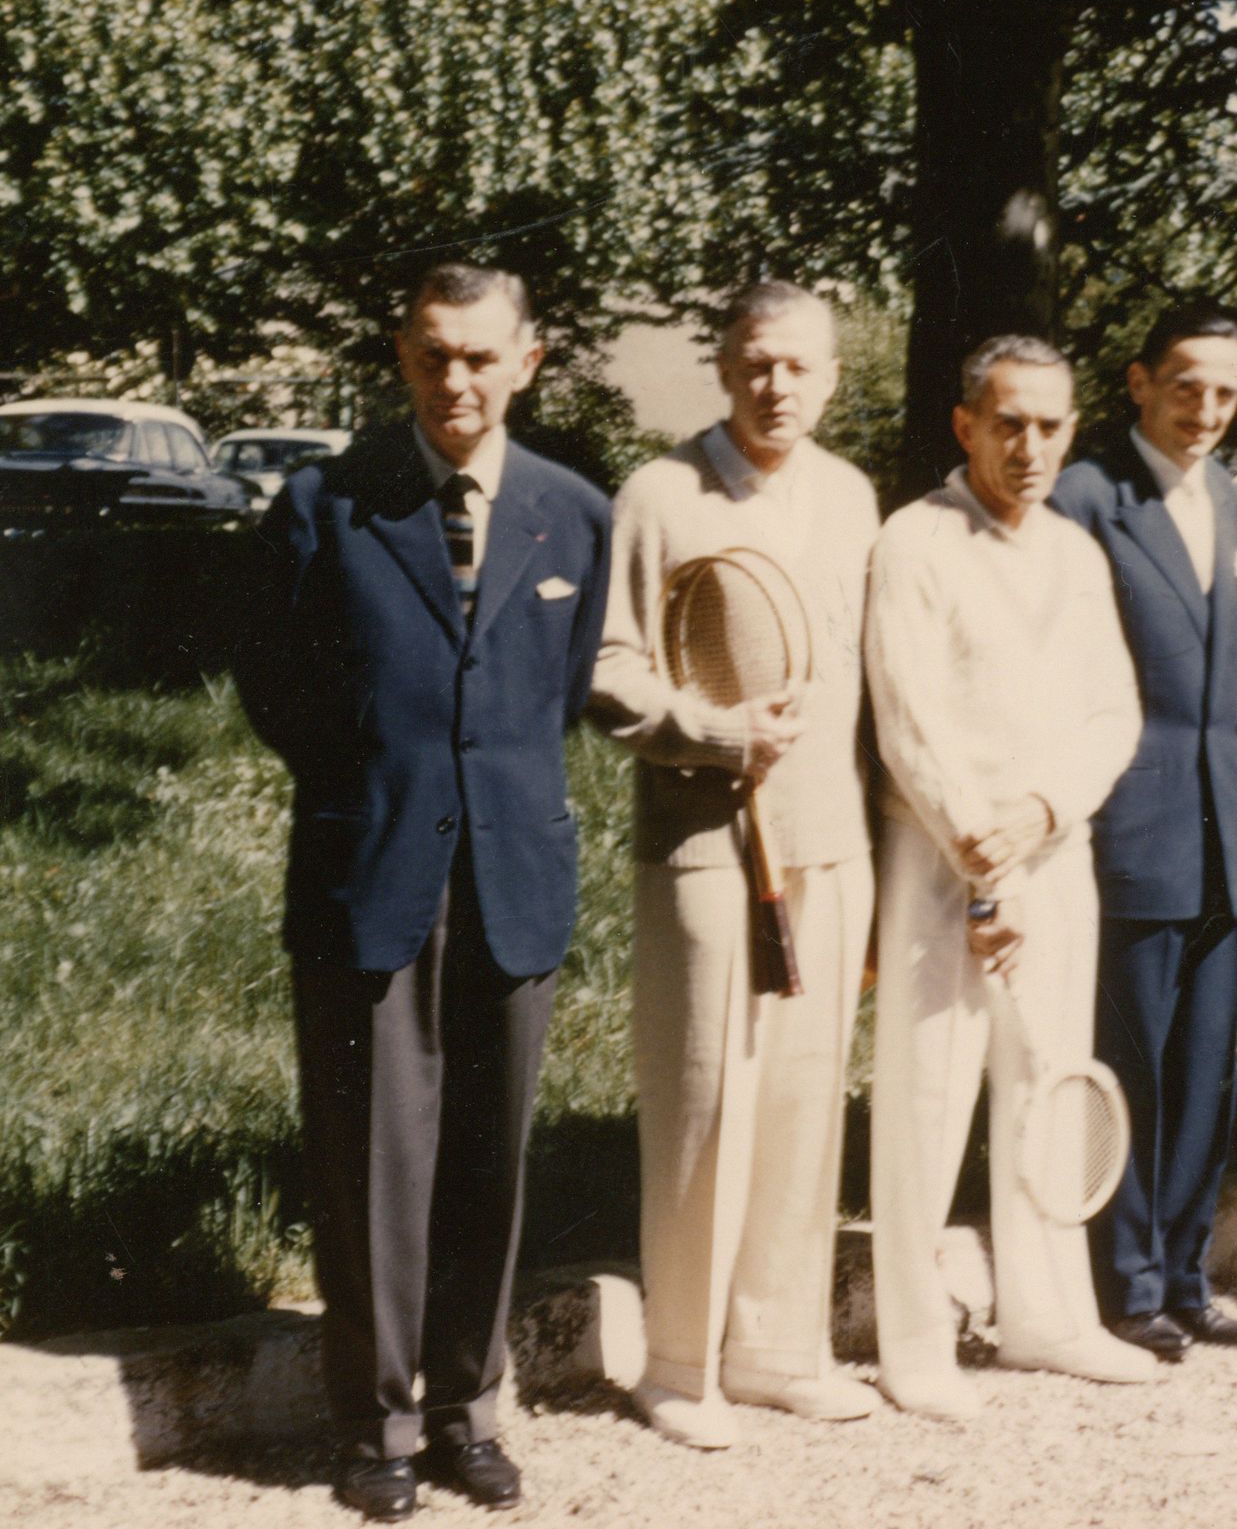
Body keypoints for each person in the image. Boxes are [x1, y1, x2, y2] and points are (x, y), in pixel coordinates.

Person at [238, 264, 610, 1522]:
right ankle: (379, 1421)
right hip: (373, 866)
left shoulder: (573, 514)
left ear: (528, 361)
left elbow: (555, 696)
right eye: (432, 355)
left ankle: (468, 1405)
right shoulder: (325, 505)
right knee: (372, 1159)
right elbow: (278, 691)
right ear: (400, 356)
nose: (457, 382)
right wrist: (386, 783)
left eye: (481, 357)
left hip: (513, 870)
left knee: (487, 1159)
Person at [590, 282, 882, 1446]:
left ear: (830, 377)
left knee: (807, 1104)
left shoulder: (855, 498)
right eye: (757, 363)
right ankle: (678, 1363)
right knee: (708, 1095)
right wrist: (712, 734)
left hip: (829, 844)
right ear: (722, 364)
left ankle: (774, 1350)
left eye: (800, 367)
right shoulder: (660, 494)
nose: (777, 386)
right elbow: (611, 669)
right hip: (705, 843)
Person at [864, 336, 1152, 1419]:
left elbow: (1111, 711)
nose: (1030, 445)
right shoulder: (913, 542)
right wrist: (975, 848)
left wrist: (1039, 813)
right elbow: (909, 717)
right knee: (929, 1097)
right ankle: (914, 1341)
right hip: (940, 863)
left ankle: (1046, 1316)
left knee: (1047, 1081)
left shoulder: (1078, 553)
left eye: (1050, 424)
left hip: (1051, 854)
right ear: (966, 425)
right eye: (1009, 422)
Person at [1048, 305, 1237, 1361]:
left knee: (1204, 1067)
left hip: (1225, 814)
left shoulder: (1229, 491)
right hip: (1133, 817)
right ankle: (1123, 1278)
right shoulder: (1088, 495)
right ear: (1138, 381)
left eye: (1225, 391)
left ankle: (1185, 1271)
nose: (1206, 410)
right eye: (1186, 385)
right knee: (1128, 1060)